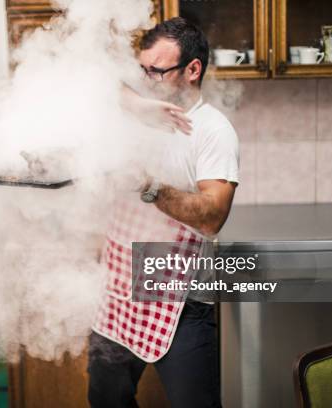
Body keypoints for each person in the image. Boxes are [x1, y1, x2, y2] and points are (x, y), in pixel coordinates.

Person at [88, 17, 239, 408]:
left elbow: (212, 215)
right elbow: (92, 77)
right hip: (118, 287)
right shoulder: (136, 108)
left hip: (180, 298)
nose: (146, 78)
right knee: (107, 401)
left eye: (156, 71)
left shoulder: (213, 130)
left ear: (193, 69)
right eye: (143, 69)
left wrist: (148, 185)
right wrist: (137, 101)